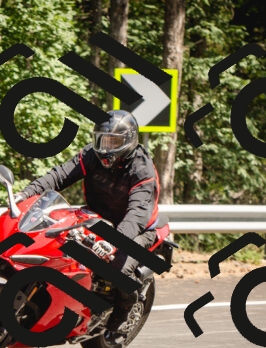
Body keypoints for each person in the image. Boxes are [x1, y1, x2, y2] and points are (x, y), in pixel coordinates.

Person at [15, 110, 160, 334]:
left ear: (129, 141)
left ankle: (124, 311)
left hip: (137, 228)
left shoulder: (142, 169)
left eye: (113, 142)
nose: (105, 148)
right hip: (97, 217)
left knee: (119, 269)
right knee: (57, 241)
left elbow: (137, 213)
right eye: (102, 140)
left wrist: (114, 241)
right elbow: (60, 175)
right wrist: (27, 193)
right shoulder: (90, 155)